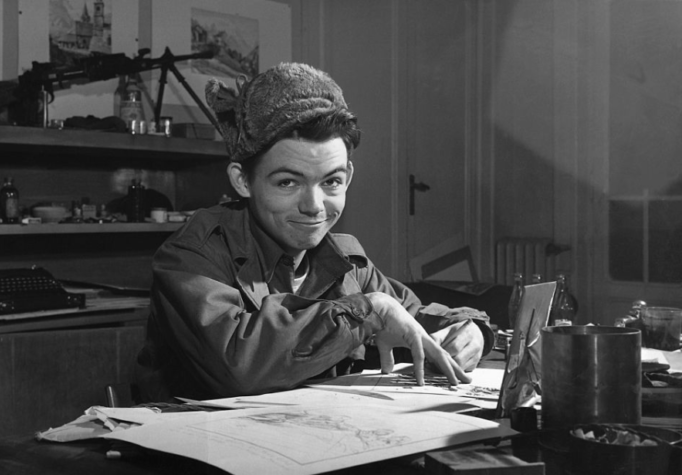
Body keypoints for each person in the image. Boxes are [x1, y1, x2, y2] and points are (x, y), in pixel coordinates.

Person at [136, 62, 493, 402]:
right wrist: (366, 311)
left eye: (331, 182)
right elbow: (239, 365)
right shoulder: (192, 254)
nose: (315, 206)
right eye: (288, 182)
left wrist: (468, 330)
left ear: (348, 178)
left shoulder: (346, 260)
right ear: (242, 181)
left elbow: (415, 315)